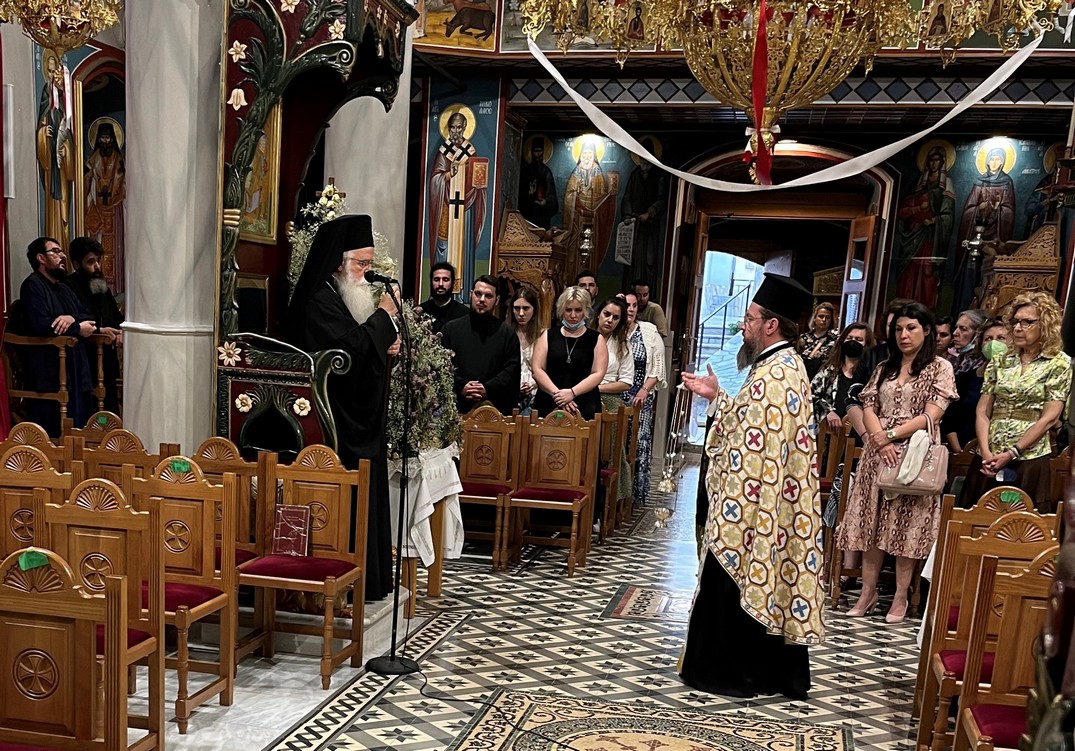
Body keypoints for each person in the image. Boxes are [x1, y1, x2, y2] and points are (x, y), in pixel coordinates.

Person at [679, 272, 822, 699]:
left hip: (751, 505)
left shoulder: (777, 373)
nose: (744, 326)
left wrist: (734, 502)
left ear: (771, 325)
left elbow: (757, 448)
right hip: (761, 498)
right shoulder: (778, 366)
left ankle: (728, 672)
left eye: (750, 318)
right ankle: (764, 671)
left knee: (732, 578)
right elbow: (751, 427)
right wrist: (717, 397)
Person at [285, 214, 401, 602]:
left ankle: (369, 578)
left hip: (353, 413)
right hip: (333, 423)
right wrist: (384, 317)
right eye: (361, 264)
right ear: (338, 262)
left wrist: (389, 345)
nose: (367, 272)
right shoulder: (318, 301)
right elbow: (351, 349)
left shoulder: (344, 296)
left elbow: (362, 346)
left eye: (370, 264)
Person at [837, 302, 957, 624]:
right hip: (879, 453)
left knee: (905, 525)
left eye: (911, 328)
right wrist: (880, 440)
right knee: (872, 523)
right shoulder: (884, 367)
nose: (903, 335)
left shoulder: (940, 367)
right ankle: (867, 592)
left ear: (926, 330)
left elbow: (932, 413)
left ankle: (901, 596)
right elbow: (869, 406)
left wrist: (891, 435)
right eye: (898, 329)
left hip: (915, 452)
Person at [965, 292, 1072, 510]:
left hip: (1029, 457)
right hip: (989, 455)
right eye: (1015, 322)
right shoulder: (1000, 360)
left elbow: (1050, 418)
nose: (1017, 328)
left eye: (1027, 322)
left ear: (1045, 324)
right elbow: (982, 411)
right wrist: (985, 451)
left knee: (1019, 521)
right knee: (976, 517)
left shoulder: (1059, 363)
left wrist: (1012, 452)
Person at [18, 237, 98, 437]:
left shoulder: (63, 288)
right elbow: (40, 324)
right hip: (49, 365)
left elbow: (88, 315)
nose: (62, 256)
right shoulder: (32, 285)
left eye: (62, 252)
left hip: (73, 364)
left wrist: (72, 319)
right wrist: (76, 328)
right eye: (55, 251)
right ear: (41, 258)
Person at [441, 275, 521, 416]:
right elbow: (441, 366)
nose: (482, 299)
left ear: (497, 300)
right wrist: (462, 385)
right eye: (478, 294)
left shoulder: (507, 334)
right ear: (471, 295)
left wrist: (487, 388)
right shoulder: (451, 329)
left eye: (488, 296)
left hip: (494, 413)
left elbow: (511, 372)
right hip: (455, 410)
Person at [62, 236, 124, 414]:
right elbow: (78, 319)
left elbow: (113, 315)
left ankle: (106, 427)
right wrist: (99, 330)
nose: (97, 266)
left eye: (98, 260)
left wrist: (120, 331)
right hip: (85, 356)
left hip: (106, 355)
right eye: (90, 262)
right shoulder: (68, 287)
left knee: (108, 407)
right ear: (76, 264)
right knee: (93, 406)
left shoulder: (98, 284)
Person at [428, 111, 488, 290]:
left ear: (464, 128)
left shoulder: (470, 151)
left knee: (462, 244)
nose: (455, 131)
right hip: (446, 205)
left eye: (459, 127)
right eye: (452, 127)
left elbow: (477, 182)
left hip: (464, 207)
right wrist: (447, 175)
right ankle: (440, 286)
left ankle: (462, 289)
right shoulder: (443, 151)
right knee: (444, 241)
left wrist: (476, 182)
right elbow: (435, 179)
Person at [532, 287, 607, 421]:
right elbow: (537, 369)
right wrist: (559, 395)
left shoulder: (596, 338)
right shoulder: (548, 335)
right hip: (549, 400)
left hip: (584, 403)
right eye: (568, 310)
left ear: (585, 311)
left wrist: (572, 393)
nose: (573, 315)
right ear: (562, 310)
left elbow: (598, 373)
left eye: (578, 310)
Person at [894, 144, 954, 311]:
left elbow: (948, 215)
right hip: (913, 236)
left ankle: (925, 309)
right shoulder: (918, 183)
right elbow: (903, 211)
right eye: (931, 160)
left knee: (927, 272)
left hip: (930, 238)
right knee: (909, 272)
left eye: (937, 160)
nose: (934, 164)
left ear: (942, 163)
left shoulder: (946, 185)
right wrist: (916, 210)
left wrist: (935, 220)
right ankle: (903, 307)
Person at [619, 290, 666, 506]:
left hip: (640, 396)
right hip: (615, 396)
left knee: (638, 443)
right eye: (626, 305)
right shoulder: (612, 330)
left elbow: (658, 367)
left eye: (634, 305)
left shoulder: (648, 331)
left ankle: (635, 494)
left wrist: (645, 390)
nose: (630, 309)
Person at [594, 297, 634, 504]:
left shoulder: (622, 345)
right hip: (580, 395)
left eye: (615, 317)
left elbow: (626, 382)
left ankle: (607, 502)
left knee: (609, 451)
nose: (609, 320)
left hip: (609, 398)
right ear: (598, 314)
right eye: (606, 314)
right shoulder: (585, 336)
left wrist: (596, 388)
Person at [84, 120, 126, 294]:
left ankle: (115, 288)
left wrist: (111, 190)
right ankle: (96, 286)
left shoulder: (118, 159)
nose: (105, 141)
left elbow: (120, 178)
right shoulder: (94, 159)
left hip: (113, 208)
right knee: (97, 245)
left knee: (114, 248)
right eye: (102, 138)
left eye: (108, 138)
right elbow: (88, 177)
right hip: (97, 209)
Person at [562, 136, 616, 266]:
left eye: (589, 154)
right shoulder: (576, 172)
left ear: (594, 155)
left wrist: (608, 196)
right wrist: (576, 199)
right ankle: (572, 273)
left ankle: (590, 271)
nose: (587, 157)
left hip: (592, 218)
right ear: (580, 155)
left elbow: (601, 195)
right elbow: (569, 194)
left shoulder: (598, 172)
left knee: (591, 246)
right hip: (577, 218)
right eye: (584, 154)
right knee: (574, 246)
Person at [941, 309, 989, 452]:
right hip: (951, 435)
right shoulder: (953, 361)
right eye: (956, 327)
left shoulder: (981, 367)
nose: (955, 333)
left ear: (977, 335)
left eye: (963, 329)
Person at [621, 142, 667, 285]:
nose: (644, 161)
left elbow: (662, 199)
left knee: (649, 260)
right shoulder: (635, 175)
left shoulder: (658, 176)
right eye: (641, 158)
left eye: (646, 158)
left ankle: (646, 292)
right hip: (634, 225)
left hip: (650, 229)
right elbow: (627, 197)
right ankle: (629, 290)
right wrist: (627, 215)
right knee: (631, 260)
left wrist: (650, 212)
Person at [510, 286, 544, 414]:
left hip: (537, 391)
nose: (521, 313)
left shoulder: (543, 335)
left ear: (534, 310)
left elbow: (547, 369)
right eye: (517, 308)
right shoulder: (506, 333)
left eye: (526, 308)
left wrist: (533, 385)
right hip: (511, 391)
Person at [418, 262, 469, 334]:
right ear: (431, 282)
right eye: (436, 279)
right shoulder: (421, 311)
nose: (440, 284)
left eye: (445, 279)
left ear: (453, 283)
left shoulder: (464, 314)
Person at [518, 139, 558, 229]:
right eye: (535, 151)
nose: (538, 154)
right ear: (531, 152)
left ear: (543, 152)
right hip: (527, 216)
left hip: (542, 218)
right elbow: (518, 196)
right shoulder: (525, 172)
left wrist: (545, 202)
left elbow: (552, 198)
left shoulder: (546, 172)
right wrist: (529, 194)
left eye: (540, 151)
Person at [796, 302, 838, 379]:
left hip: (821, 378)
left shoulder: (834, 340)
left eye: (827, 317)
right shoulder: (803, 338)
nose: (824, 320)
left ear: (831, 320)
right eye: (821, 316)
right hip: (801, 375)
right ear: (814, 318)